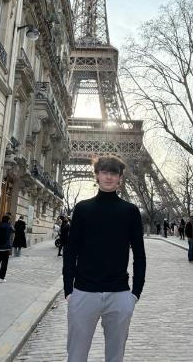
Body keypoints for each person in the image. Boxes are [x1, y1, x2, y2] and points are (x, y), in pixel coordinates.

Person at [63, 155, 146, 362]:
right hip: (83, 292)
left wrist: (135, 293)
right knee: (76, 356)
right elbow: (70, 250)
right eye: (105, 172)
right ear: (97, 175)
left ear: (120, 178)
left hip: (119, 295)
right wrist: (68, 290)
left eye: (114, 173)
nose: (109, 177)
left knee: (115, 357)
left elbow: (139, 253)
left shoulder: (131, 211)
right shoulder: (82, 209)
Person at [0, 215, 14, 282]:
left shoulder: (0, 226)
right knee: (4, 264)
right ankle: (1, 278)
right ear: (8, 220)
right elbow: (14, 231)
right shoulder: (9, 226)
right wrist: (10, 224)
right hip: (6, 248)